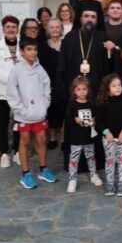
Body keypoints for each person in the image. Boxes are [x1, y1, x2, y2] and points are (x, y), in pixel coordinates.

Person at [59, 0, 115, 172]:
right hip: (75, 94)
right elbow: (62, 66)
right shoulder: (70, 38)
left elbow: (109, 67)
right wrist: (64, 91)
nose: (89, 19)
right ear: (80, 18)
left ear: (97, 19)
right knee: (75, 126)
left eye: (93, 16)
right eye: (86, 16)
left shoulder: (103, 37)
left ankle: (96, 163)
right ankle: (75, 164)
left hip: (96, 93)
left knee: (95, 125)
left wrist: (111, 51)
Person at [7, 37, 58, 189]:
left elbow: (46, 86)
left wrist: (45, 104)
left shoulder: (39, 68)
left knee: (42, 139)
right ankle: (25, 174)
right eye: (29, 49)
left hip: (39, 113)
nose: (33, 52)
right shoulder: (16, 70)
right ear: (22, 51)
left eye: (35, 49)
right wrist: (21, 110)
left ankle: (43, 169)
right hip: (24, 115)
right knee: (24, 141)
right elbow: (11, 93)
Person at [0, 15, 21, 168]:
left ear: (17, 29)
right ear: (3, 29)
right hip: (2, 92)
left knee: (18, 122)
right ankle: (3, 153)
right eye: (8, 27)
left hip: (20, 92)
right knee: (2, 122)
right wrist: (14, 82)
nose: (11, 29)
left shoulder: (23, 45)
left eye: (14, 27)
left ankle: (17, 151)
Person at [65, 76, 103, 193]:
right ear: (74, 91)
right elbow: (67, 119)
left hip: (88, 137)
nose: (82, 92)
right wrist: (75, 119)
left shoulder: (91, 103)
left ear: (88, 90)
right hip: (76, 138)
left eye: (84, 89)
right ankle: (72, 179)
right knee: (74, 159)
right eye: (79, 89)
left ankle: (93, 174)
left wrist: (94, 121)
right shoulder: (72, 104)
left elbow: (95, 116)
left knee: (91, 157)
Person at [95, 73, 122, 196]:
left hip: (121, 137)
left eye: (119, 85)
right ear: (107, 88)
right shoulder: (102, 103)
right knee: (110, 161)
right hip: (108, 138)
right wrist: (106, 132)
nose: (118, 88)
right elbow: (98, 121)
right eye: (114, 86)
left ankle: (121, 183)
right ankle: (110, 183)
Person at [38, 18, 66, 150]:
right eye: (52, 27)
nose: (55, 30)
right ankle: (53, 137)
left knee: (63, 111)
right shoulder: (43, 45)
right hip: (47, 83)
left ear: (61, 29)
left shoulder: (66, 44)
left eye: (57, 27)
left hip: (63, 83)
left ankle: (63, 138)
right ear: (48, 30)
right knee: (51, 111)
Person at [104, 0, 122, 77]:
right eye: (112, 8)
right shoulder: (102, 28)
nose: (115, 10)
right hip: (105, 70)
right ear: (108, 11)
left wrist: (115, 48)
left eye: (118, 8)